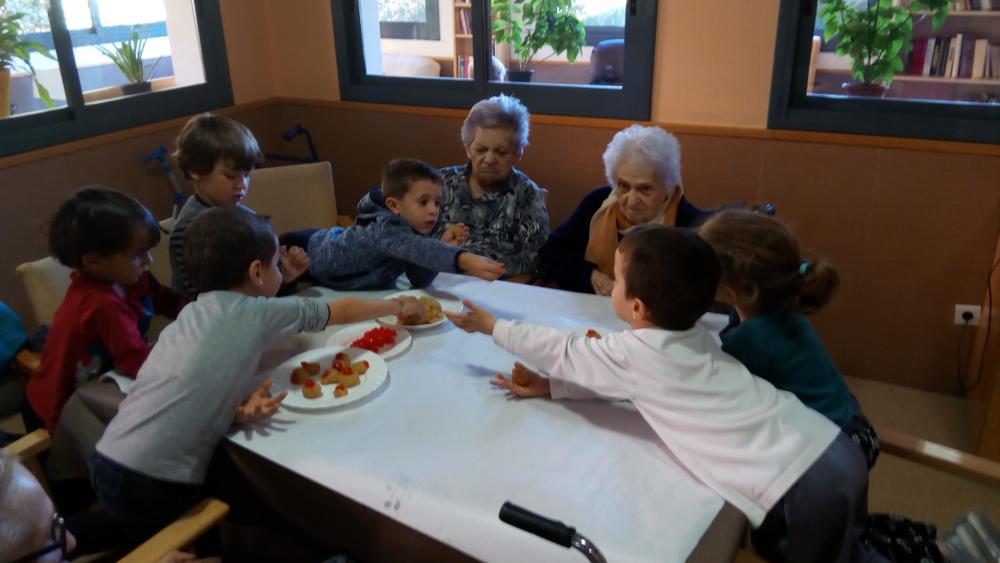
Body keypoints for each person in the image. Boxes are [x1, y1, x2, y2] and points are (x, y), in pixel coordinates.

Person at [446, 225, 882, 562]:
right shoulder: (695, 339)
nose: (612, 284)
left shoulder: (638, 353)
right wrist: (553, 386)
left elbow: (565, 350)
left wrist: (493, 327)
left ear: (637, 306)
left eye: (617, 279)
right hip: (833, 448)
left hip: (802, 486)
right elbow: (635, 386)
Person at [91, 207, 423, 546]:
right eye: (276, 265)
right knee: (196, 542)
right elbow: (341, 310)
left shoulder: (192, 313)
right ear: (256, 272)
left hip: (111, 455)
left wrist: (232, 412)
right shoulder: (252, 313)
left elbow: (181, 388)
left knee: (124, 525)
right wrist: (398, 305)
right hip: (155, 479)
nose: (281, 270)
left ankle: (68, 535)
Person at [698, 210, 880, 469]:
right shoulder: (781, 308)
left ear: (731, 292)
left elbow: (725, 405)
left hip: (831, 451)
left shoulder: (750, 340)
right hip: (855, 426)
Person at [24, 187, 183, 432]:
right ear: (93, 261)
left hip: (99, 389)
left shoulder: (131, 278)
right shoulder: (100, 303)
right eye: (137, 255)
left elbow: (169, 302)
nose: (148, 261)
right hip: (57, 411)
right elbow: (136, 361)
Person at [538, 125, 710, 295]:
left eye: (645, 189)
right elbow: (553, 250)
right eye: (624, 186)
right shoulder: (597, 203)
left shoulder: (688, 223)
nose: (631, 200)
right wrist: (590, 275)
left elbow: (697, 286)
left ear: (668, 188)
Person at [302, 158, 505, 290]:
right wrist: (464, 259)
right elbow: (417, 248)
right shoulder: (384, 227)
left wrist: (442, 245)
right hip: (308, 246)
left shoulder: (411, 232)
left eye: (437, 202)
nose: (433, 210)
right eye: (423, 202)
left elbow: (419, 279)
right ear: (394, 205)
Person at [168, 113, 310, 297]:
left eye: (247, 175)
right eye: (231, 176)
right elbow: (202, 302)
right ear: (196, 170)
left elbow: (254, 289)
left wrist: (284, 278)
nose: (242, 185)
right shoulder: (189, 229)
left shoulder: (244, 216)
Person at [434, 95, 549, 278]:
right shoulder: (440, 183)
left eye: (501, 152)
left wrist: (479, 266)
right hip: (436, 279)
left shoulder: (528, 195)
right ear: (468, 149)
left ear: (518, 153)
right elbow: (411, 239)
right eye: (481, 150)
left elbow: (533, 258)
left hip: (499, 284)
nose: (489, 159)